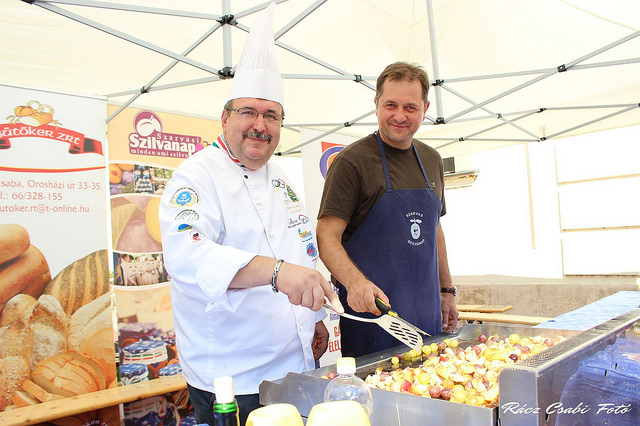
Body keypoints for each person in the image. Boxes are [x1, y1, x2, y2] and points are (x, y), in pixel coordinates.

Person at [159, 4, 342, 425]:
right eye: (248, 112)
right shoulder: (196, 176)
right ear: (225, 117)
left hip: (296, 363)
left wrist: (315, 320)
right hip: (233, 377)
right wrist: (277, 273)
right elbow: (189, 257)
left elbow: (302, 249)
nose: (260, 124)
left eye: (271, 115)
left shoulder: (280, 177)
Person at [316, 61, 458, 358]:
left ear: (425, 109)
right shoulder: (351, 162)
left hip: (428, 315)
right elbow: (326, 236)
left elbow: (435, 228)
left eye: (410, 107)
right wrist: (355, 282)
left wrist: (447, 291)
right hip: (374, 319)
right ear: (376, 104)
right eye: (391, 105)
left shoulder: (432, 159)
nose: (399, 116)